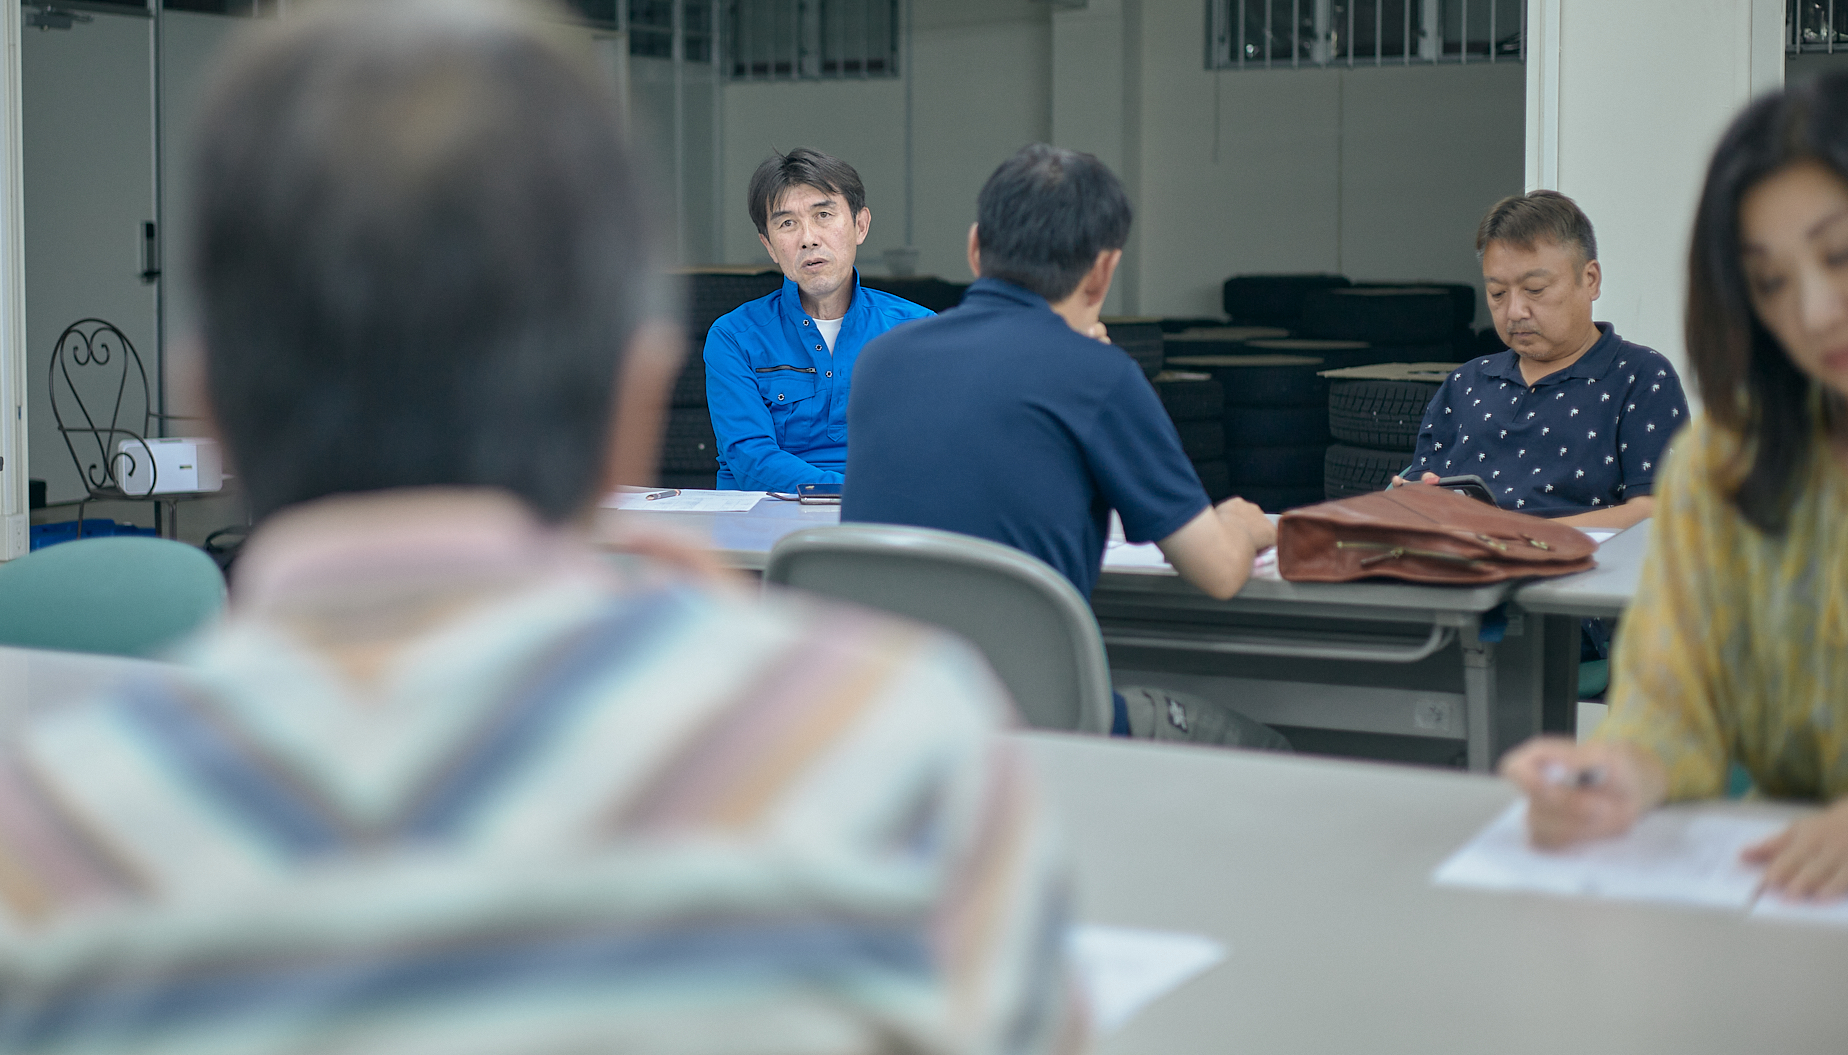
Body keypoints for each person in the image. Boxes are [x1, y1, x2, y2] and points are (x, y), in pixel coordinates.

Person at [0, 0, 1082, 1053]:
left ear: (208, 412)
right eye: (788, 220)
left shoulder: (7, 857)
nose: (807, 236)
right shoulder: (897, 762)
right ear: (632, 387)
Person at [1501, 72, 1848, 901]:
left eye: (1839, 256)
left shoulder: (1633, 380)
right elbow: (1672, 697)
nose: (1815, 308)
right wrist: (1618, 771)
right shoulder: (1722, 469)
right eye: (1769, 281)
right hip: (1790, 897)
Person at [842, 144, 1285, 748]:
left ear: (975, 248)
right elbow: (1218, 571)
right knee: (1272, 750)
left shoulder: (880, 361)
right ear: (1103, 270)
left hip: (889, 723)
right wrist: (1245, 526)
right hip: (1039, 733)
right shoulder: (1100, 379)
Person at [1393, 190, 1689, 531]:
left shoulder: (1641, 378)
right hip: (1466, 573)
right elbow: (1421, 492)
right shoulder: (1465, 385)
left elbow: (1657, 511)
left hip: (1582, 575)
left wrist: (1524, 535)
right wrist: (1415, 500)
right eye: (1498, 294)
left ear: (1590, 280)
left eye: (1534, 289)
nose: (1515, 311)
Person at [705, 149, 930, 492]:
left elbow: (936, 451)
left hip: (881, 518)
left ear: (860, 225)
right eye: (787, 224)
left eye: (823, 214)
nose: (808, 238)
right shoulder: (733, 337)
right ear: (769, 245)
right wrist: (853, 494)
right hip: (765, 518)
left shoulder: (918, 331)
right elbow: (750, 458)